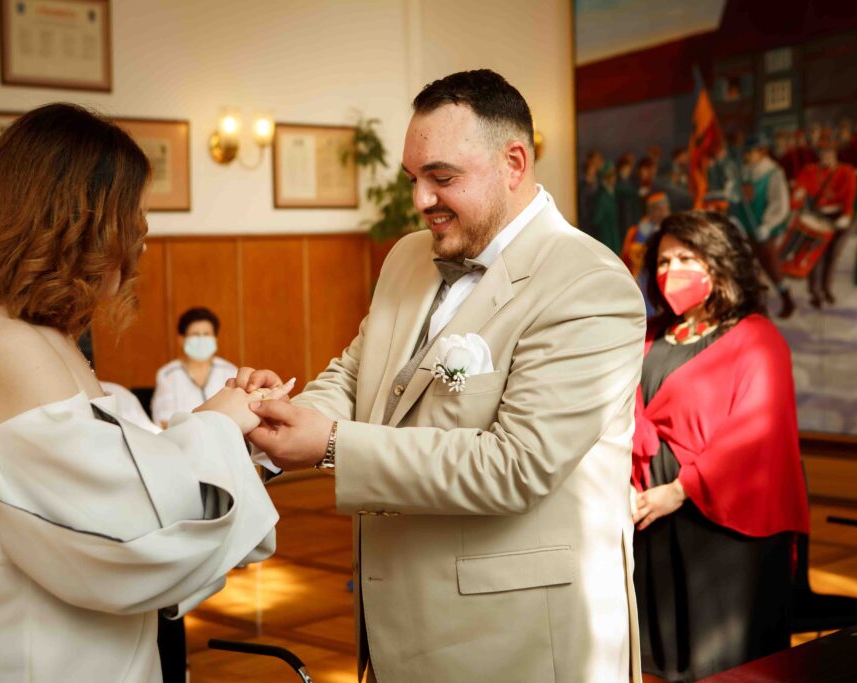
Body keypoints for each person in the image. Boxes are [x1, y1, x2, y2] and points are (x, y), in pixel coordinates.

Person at [238, 69, 647, 682]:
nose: (421, 200)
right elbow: (357, 376)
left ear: (514, 162)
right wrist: (271, 417)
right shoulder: (408, 257)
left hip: (519, 642)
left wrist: (328, 446)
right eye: (415, 180)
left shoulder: (590, 284)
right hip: (398, 627)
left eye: (442, 178)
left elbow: (517, 466)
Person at [0, 103, 281, 682]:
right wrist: (215, 421)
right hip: (28, 659)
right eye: (131, 213)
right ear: (77, 220)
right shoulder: (0, 343)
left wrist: (243, 432)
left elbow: (114, 479)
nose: (140, 234)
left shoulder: (43, 337)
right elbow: (127, 531)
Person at [630, 211, 810, 682]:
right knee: (657, 663)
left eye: (687, 257)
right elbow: (624, 413)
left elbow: (754, 434)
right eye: (665, 261)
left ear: (719, 262)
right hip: (650, 518)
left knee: (726, 668)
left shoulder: (757, 338)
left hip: (722, 530)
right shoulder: (651, 336)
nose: (672, 271)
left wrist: (679, 490)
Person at [733, 133, 796, 317]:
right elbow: (740, 198)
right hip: (746, 228)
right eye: (745, 152)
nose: (746, 156)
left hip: (764, 229)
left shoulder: (773, 172)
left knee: (770, 264)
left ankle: (787, 300)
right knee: (750, 268)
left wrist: (767, 225)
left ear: (762, 152)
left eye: (750, 152)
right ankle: (759, 308)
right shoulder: (744, 171)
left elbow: (780, 203)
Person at [789, 140, 857, 307]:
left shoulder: (846, 171)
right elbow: (799, 190)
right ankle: (814, 292)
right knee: (815, 255)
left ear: (835, 154)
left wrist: (846, 214)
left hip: (839, 217)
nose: (826, 156)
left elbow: (851, 194)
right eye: (823, 152)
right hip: (818, 216)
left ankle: (826, 288)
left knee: (832, 255)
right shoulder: (810, 171)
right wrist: (797, 200)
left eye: (829, 152)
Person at [152, 306, 239, 429]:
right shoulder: (168, 375)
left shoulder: (229, 371)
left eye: (206, 334)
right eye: (195, 334)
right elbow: (164, 422)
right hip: (182, 442)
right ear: (182, 340)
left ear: (215, 339)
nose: (201, 339)